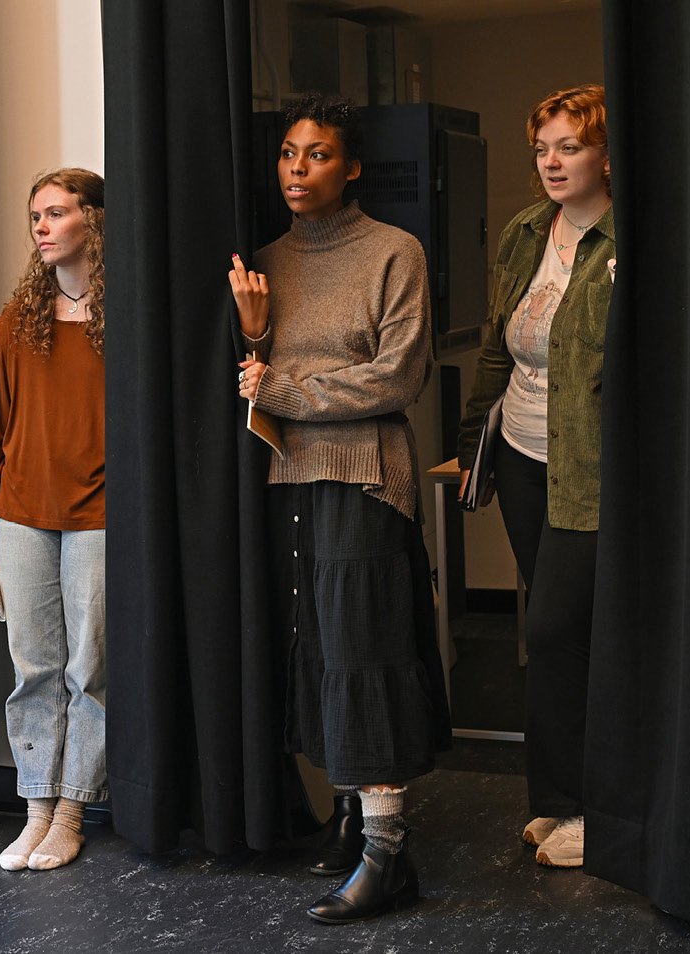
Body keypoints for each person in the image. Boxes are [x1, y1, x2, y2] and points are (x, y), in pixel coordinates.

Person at [228, 93, 449, 923]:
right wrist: (255, 336)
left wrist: (281, 383)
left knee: (366, 652)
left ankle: (388, 854)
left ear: (351, 166)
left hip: (365, 476)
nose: (297, 168)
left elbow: (397, 377)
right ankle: (356, 820)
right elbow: (259, 385)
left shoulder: (394, 252)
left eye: (317, 154)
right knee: (319, 651)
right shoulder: (270, 260)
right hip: (289, 478)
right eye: (288, 153)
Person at [456, 85, 614, 870]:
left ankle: (588, 806)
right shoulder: (526, 230)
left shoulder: (628, 237)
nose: (552, 162)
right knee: (551, 639)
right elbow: (495, 344)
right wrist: (472, 439)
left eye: (570, 147)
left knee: (558, 631)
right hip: (519, 458)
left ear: (606, 155)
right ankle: (557, 803)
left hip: (591, 469)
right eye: (543, 148)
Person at [0, 168, 107, 872]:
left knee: (88, 668)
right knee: (33, 667)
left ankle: (73, 810)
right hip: (21, 511)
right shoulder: (16, 320)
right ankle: (35, 809)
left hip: (98, 515)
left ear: (95, 220)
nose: (42, 227)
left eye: (56, 213)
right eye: (35, 217)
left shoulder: (124, 319)